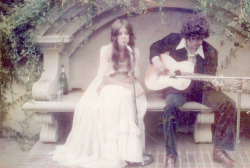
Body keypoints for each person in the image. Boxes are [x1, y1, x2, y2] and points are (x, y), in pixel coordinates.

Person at [50, 19, 147, 168]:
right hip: (108, 85)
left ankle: (128, 151)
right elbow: (105, 79)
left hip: (127, 84)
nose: (123, 37)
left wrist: (133, 85)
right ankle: (113, 152)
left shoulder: (134, 51)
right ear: (114, 36)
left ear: (130, 36)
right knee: (117, 98)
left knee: (130, 97)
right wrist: (125, 86)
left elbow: (134, 76)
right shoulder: (106, 50)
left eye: (126, 33)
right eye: (119, 34)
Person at [149, 13, 236, 168]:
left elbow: (209, 78)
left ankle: (219, 150)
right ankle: (171, 154)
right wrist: (155, 59)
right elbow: (154, 47)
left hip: (200, 89)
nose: (198, 42)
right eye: (194, 38)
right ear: (187, 36)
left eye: (201, 38)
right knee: (170, 107)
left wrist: (215, 83)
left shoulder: (210, 52)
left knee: (228, 104)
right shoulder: (174, 39)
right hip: (177, 89)